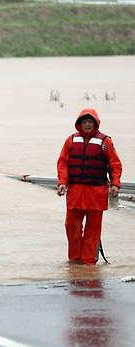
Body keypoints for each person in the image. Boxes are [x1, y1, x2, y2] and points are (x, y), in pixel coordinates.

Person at [56, 108, 122, 265]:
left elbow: (115, 165)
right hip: (75, 193)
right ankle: (74, 261)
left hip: (96, 194)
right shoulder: (71, 140)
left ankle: (88, 262)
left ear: (95, 124)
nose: (87, 125)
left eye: (90, 122)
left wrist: (115, 184)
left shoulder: (106, 142)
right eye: (84, 122)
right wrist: (62, 183)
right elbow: (62, 163)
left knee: (93, 230)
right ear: (79, 124)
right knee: (71, 226)